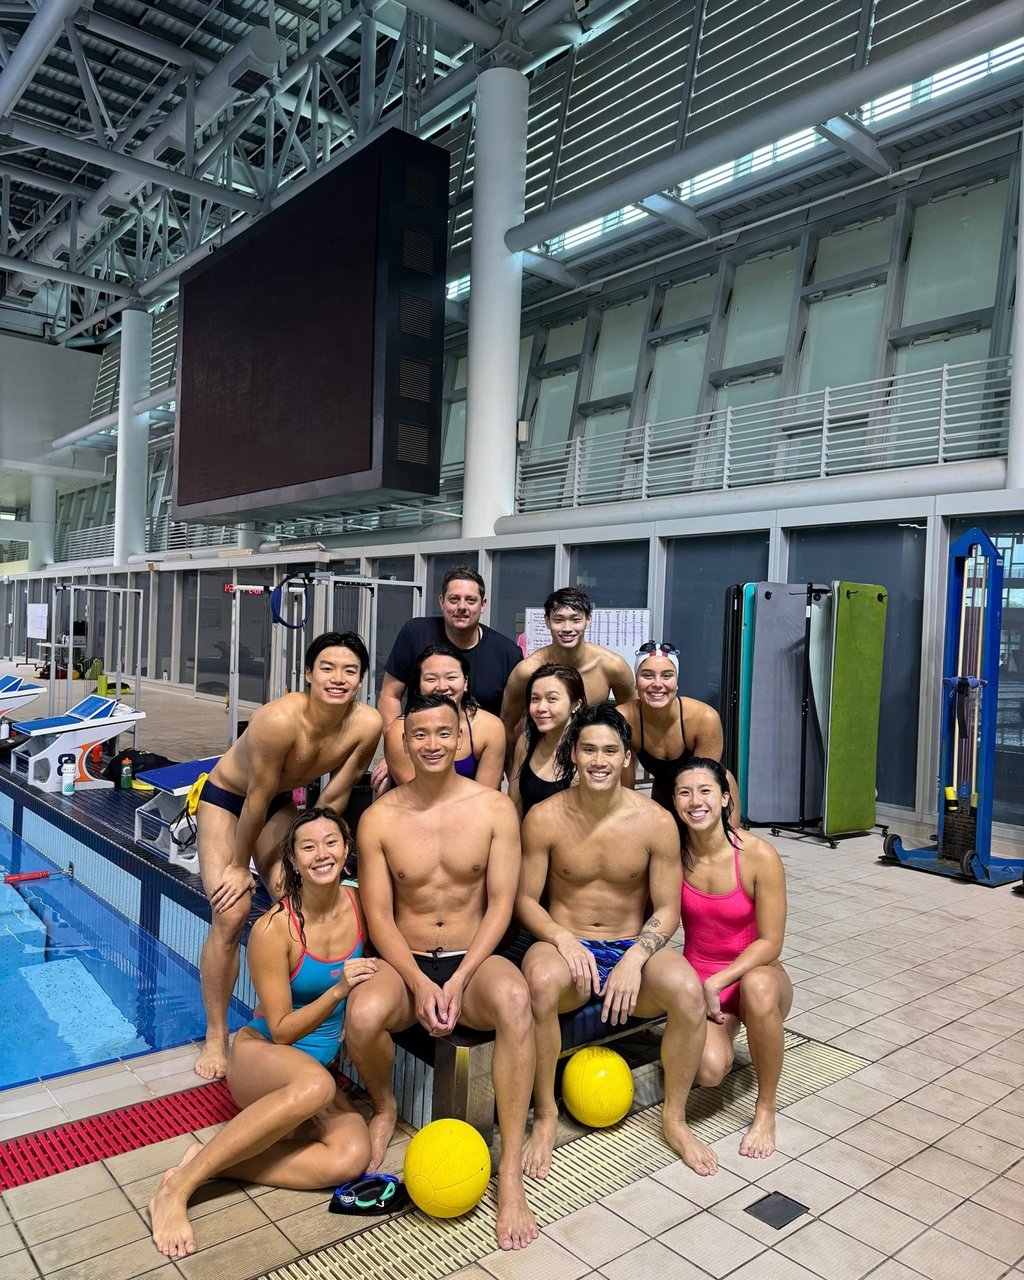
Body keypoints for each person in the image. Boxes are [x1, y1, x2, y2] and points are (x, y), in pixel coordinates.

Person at [345, 693, 539, 1252]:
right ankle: (385, 1107)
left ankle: (510, 1178)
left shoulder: (495, 809)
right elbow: (379, 914)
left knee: (515, 1002)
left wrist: (456, 979)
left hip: (471, 959)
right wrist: (419, 981)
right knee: (363, 1012)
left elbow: (501, 905)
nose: (432, 744)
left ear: (462, 740)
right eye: (419, 735)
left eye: (443, 734)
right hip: (405, 960)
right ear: (403, 743)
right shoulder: (379, 817)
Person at [150, 808, 377, 1259]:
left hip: (314, 1076)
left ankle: (207, 1160)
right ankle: (177, 1191)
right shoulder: (275, 929)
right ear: (292, 860)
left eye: (331, 843)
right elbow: (283, 1030)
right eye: (307, 847)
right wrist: (338, 991)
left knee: (351, 1155)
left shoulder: (360, 901)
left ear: (347, 849)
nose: (321, 854)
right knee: (315, 1083)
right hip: (263, 1057)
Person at [516, 702, 716, 1181]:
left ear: (628, 757)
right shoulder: (545, 818)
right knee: (540, 982)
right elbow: (525, 900)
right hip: (570, 948)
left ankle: (674, 1117)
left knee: (688, 992)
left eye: (610, 750)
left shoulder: (655, 821)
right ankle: (544, 1115)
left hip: (633, 946)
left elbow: (668, 909)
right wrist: (563, 939)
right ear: (574, 754)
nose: (599, 760)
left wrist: (636, 956)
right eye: (589, 749)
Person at [193, 631, 382, 1080]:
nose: (338, 678)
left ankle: (276, 1013)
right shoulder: (277, 720)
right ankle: (217, 1034)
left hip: (281, 807)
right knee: (232, 909)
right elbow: (254, 799)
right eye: (328, 669)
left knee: (296, 900)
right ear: (309, 675)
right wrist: (240, 867)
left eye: (350, 671)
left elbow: (334, 796)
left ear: (361, 681)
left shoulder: (368, 725)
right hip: (229, 800)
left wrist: (314, 848)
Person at [673, 757, 793, 1158]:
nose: (695, 802)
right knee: (709, 1072)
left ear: (725, 799)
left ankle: (766, 1109)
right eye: (684, 793)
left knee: (757, 989)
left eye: (705, 791)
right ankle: (727, 1034)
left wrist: (719, 980)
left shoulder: (758, 855)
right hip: (703, 980)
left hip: (755, 973)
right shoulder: (674, 857)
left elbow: (770, 943)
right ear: (674, 801)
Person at [500, 588, 636, 759]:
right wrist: (515, 775)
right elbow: (506, 725)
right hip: (542, 759)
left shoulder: (612, 666)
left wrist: (625, 776)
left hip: (593, 760)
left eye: (575, 620)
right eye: (558, 620)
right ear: (547, 622)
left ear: (588, 620)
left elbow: (634, 721)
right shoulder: (527, 670)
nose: (567, 628)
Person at [377, 567, 522, 725]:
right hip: (421, 741)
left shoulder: (507, 653)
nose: (461, 606)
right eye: (454, 599)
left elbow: (516, 718)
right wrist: (396, 742)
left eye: (470, 600)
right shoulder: (415, 633)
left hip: (481, 745)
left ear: (483, 605)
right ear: (441, 601)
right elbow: (390, 695)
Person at [620, 642, 731, 809]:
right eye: (647, 675)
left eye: (667, 676)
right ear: (636, 682)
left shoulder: (704, 718)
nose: (657, 683)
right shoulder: (624, 719)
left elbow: (702, 785)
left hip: (705, 800)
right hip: (663, 795)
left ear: (677, 682)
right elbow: (624, 789)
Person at [383, 643, 505, 789]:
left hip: (475, 809)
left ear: (465, 682)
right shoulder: (399, 731)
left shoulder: (490, 727)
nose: (442, 687)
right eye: (431, 679)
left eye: (451, 677)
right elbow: (419, 796)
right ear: (419, 686)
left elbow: (487, 798)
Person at [508, 663, 586, 818]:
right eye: (535, 699)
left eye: (552, 699)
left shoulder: (586, 750)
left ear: (575, 705)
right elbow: (514, 802)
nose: (541, 707)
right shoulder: (526, 741)